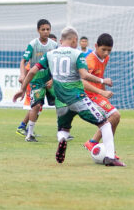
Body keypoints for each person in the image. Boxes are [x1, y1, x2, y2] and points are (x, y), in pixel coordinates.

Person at [13, 26, 124, 166]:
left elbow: (32, 71)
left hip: (61, 100)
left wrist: (23, 89)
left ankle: (62, 140)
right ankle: (110, 157)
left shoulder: (49, 54)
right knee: (106, 124)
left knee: (64, 129)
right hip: (78, 98)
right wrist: (102, 81)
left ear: (61, 40)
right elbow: (84, 75)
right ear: (74, 40)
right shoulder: (77, 54)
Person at [15, 19, 58, 142]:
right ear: (38, 30)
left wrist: (53, 79)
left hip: (50, 78)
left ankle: (63, 131)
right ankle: (30, 134)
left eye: (48, 29)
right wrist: (22, 75)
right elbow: (23, 60)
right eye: (43, 29)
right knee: (37, 105)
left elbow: (57, 63)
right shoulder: (33, 44)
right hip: (36, 79)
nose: (45, 32)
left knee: (61, 103)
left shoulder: (54, 45)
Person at [82, 33, 121, 157]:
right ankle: (98, 144)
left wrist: (103, 91)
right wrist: (101, 92)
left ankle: (100, 146)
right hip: (88, 95)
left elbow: (100, 77)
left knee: (114, 118)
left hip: (97, 95)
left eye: (109, 50)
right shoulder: (89, 61)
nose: (106, 53)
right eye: (103, 49)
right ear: (96, 46)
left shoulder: (106, 58)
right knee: (115, 115)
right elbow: (81, 82)